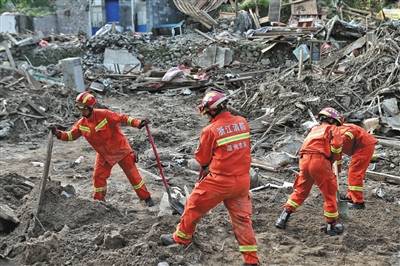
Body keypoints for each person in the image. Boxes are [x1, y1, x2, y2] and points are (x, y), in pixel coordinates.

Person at [160, 89, 259, 266]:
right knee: (243, 220)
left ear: (212, 110)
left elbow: (202, 159)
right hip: (243, 181)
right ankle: (251, 260)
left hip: (220, 181)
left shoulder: (210, 130)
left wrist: (208, 166)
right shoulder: (242, 123)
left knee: (193, 205)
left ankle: (181, 238)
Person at [50, 92, 154, 206]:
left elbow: (122, 118)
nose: (80, 110)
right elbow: (70, 135)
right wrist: (58, 133)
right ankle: (98, 203)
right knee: (98, 177)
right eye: (78, 107)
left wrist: (138, 123)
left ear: (90, 107)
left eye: (82, 107)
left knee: (133, 176)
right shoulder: (81, 124)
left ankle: (146, 198)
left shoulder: (104, 115)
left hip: (121, 150)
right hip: (104, 155)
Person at [275, 107, 344, 236]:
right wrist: (332, 160)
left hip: (304, 161)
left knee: (300, 190)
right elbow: (336, 147)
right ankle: (331, 225)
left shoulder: (314, 129)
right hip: (319, 161)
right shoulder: (333, 129)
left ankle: (283, 218)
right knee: (329, 193)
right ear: (333, 120)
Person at [338, 122, 377, 209]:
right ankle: (351, 196)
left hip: (364, 146)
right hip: (362, 146)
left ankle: (358, 202)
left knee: (355, 173)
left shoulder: (341, 131)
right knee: (353, 172)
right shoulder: (335, 131)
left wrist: (342, 141)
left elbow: (350, 134)